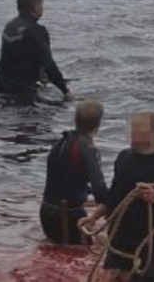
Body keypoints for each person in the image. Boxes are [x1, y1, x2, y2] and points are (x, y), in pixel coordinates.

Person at [79, 111, 154, 282]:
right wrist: (94, 216)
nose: (134, 134)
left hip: (148, 246)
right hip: (119, 239)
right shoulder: (124, 157)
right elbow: (114, 196)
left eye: (140, 130)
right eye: (133, 128)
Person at [40, 100, 109, 244]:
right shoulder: (89, 148)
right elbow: (99, 188)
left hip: (46, 211)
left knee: (57, 255)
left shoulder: (61, 143)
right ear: (97, 127)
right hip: (68, 216)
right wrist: (111, 207)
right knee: (85, 255)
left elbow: (65, 179)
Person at [0, 0, 73, 101]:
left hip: (1, 87)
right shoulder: (37, 31)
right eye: (41, 5)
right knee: (60, 108)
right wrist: (65, 90)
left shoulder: (10, 26)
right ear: (35, 8)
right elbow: (48, 64)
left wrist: (41, 76)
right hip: (24, 91)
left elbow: (16, 58)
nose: (42, 8)